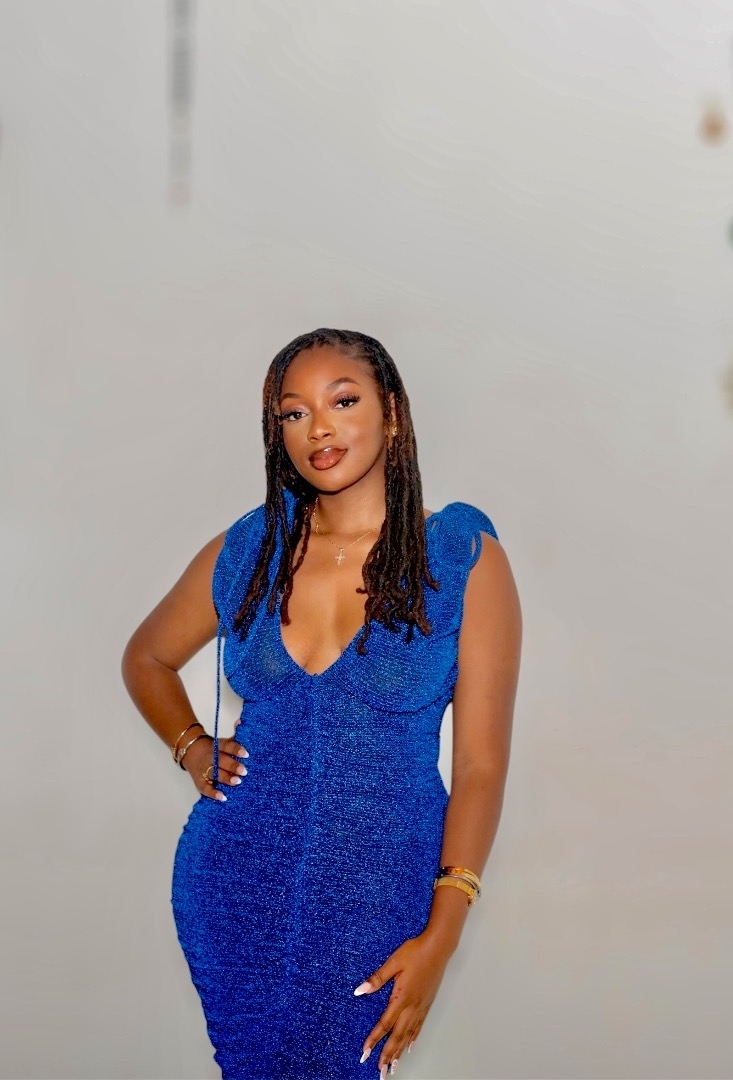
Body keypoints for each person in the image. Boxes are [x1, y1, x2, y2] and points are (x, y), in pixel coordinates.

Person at [121, 328, 522, 1080]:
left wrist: (444, 933)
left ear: (391, 413)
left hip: (381, 885)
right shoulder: (248, 551)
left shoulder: (459, 556)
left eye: (342, 401)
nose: (318, 429)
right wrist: (192, 746)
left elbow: (480, 766)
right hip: (233, 881)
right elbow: (146, 657)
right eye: (294, 413)